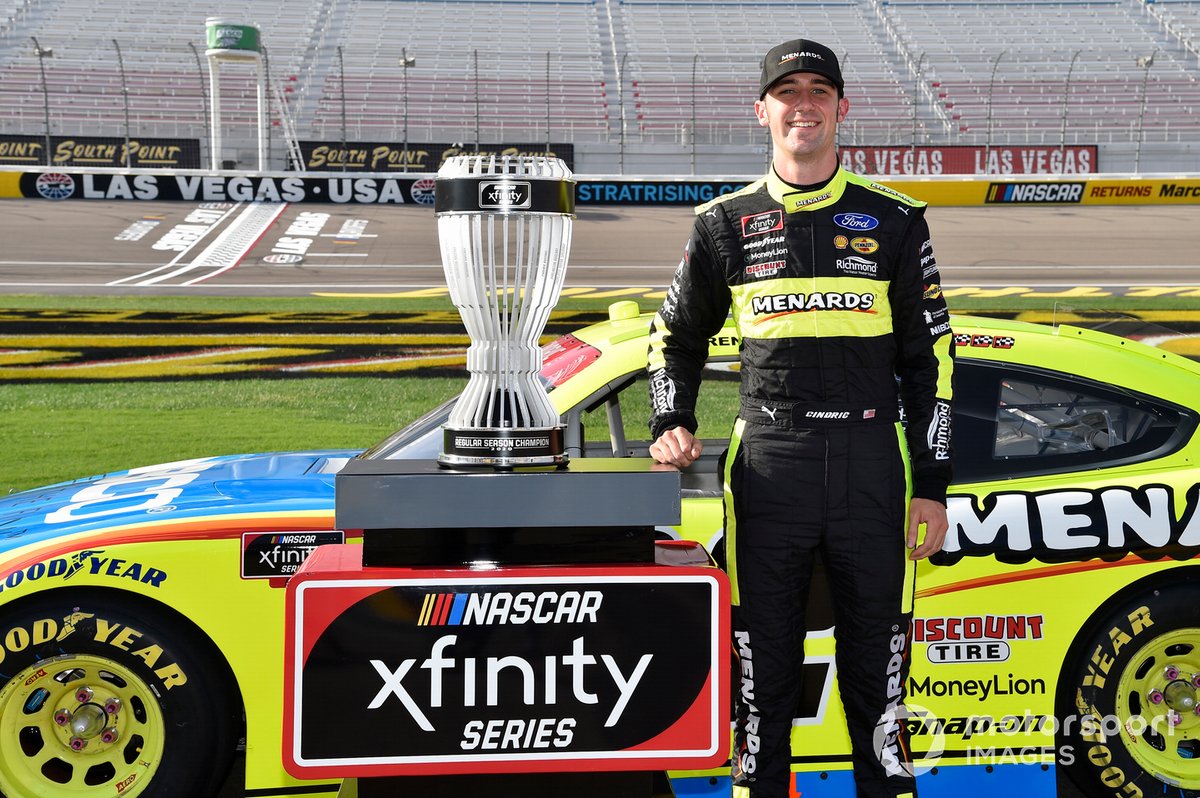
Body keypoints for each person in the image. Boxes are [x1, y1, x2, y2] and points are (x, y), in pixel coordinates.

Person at [646, 38, 954, 798]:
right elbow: (672, 338)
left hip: (872, 465)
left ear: (842, 108)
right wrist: (668, 420)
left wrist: (935, 484)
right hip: (769, 468)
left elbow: (934, 362)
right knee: (764, 688)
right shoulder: (723, 222)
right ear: (762, 111)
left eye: (819, 90)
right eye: (788, 92)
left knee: (877, 695)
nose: (804, 104)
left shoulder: (897, 220)